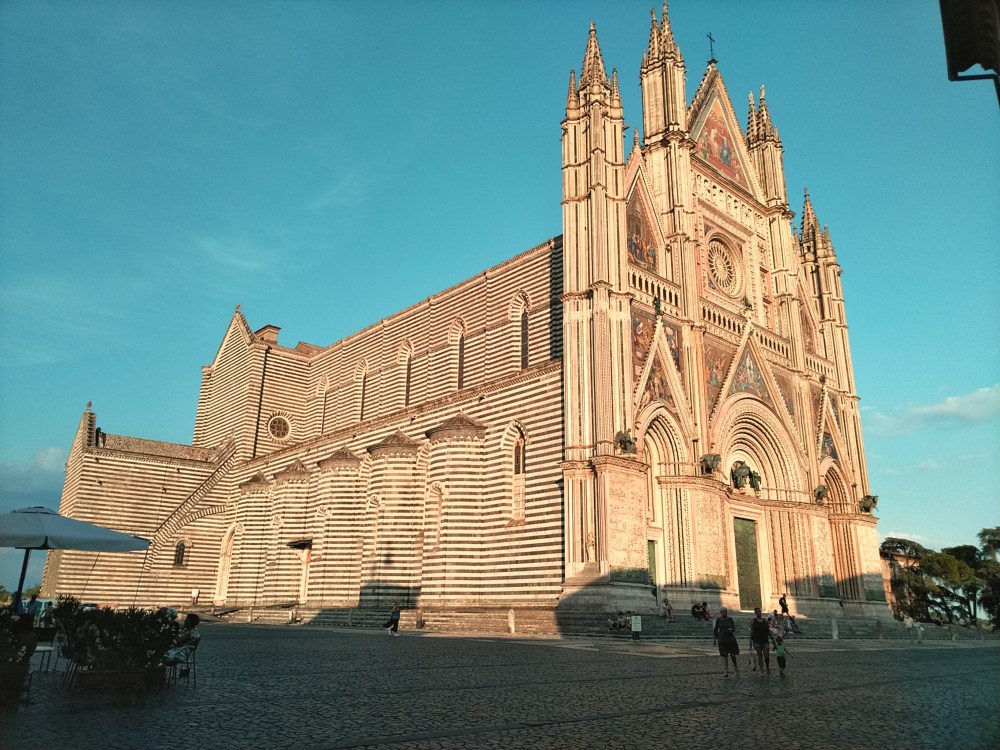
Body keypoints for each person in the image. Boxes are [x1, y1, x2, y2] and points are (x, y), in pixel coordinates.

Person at [713, 607, 740, 677]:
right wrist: (714, 640)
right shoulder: (719, 620)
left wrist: (731, 629)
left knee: (732, 655)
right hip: (722, 639)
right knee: (725, 656)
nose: (722, 613)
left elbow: (734, 628)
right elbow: (715, 630)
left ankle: (736, 669)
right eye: (721, 612)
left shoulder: (730, 619)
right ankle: (726, 671)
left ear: (726, 612)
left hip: (730, 638)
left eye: (724, 611)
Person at [749, 607, 773, 674]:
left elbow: (768, 631)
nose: (759, 612)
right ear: (755, 613)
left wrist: (772, 640)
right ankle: (762, 670)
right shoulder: (753, 621)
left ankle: (767, 667)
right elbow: (751, 631)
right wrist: (750, 641)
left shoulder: (765, 621)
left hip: (765, 640)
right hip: (756, 640)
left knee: (766, 656)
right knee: (759, 656)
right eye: (757, 612)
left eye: (759, 611)